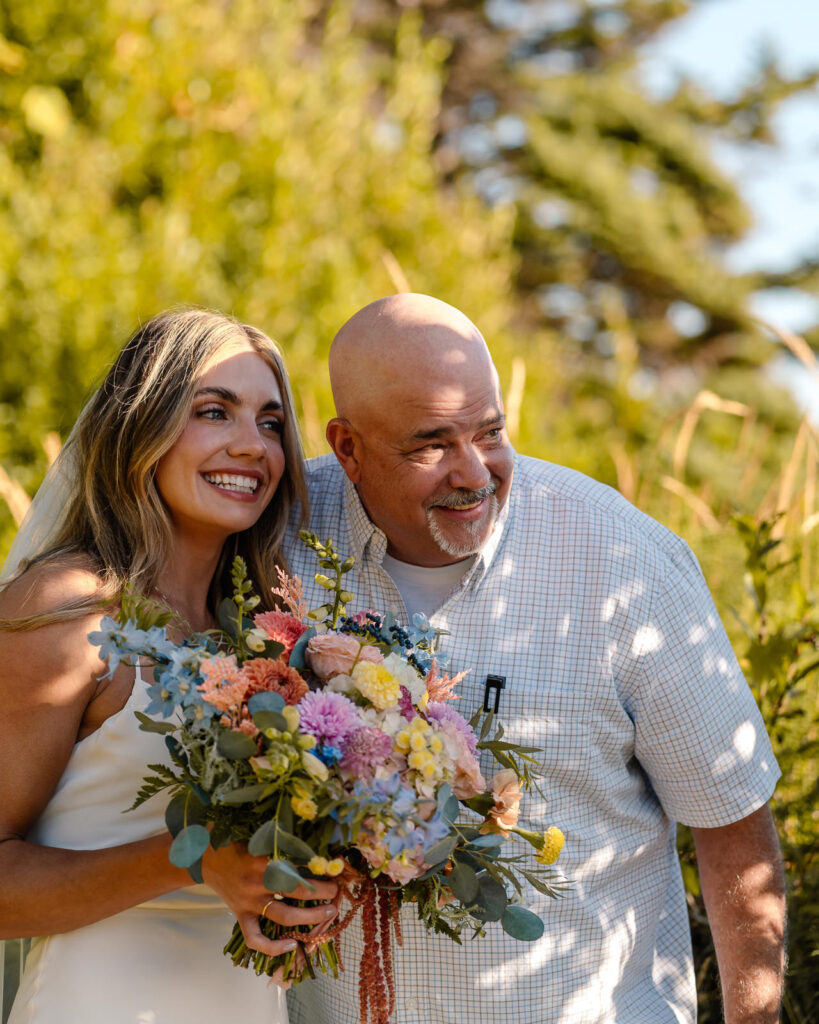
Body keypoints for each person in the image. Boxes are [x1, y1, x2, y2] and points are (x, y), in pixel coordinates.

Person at [282, 293, 785, 1024]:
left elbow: (731, 821)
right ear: (347, 447)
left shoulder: (624, 563)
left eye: (490, 431)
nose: (472, 473)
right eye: (429, 444)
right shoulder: (278, 537)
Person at [0, 308, 338, 1023]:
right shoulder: (68, 612)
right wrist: (189, 858)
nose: (253, 446)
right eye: (215, 412)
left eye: (272, 424)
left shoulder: (267, 642)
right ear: (140, 427)